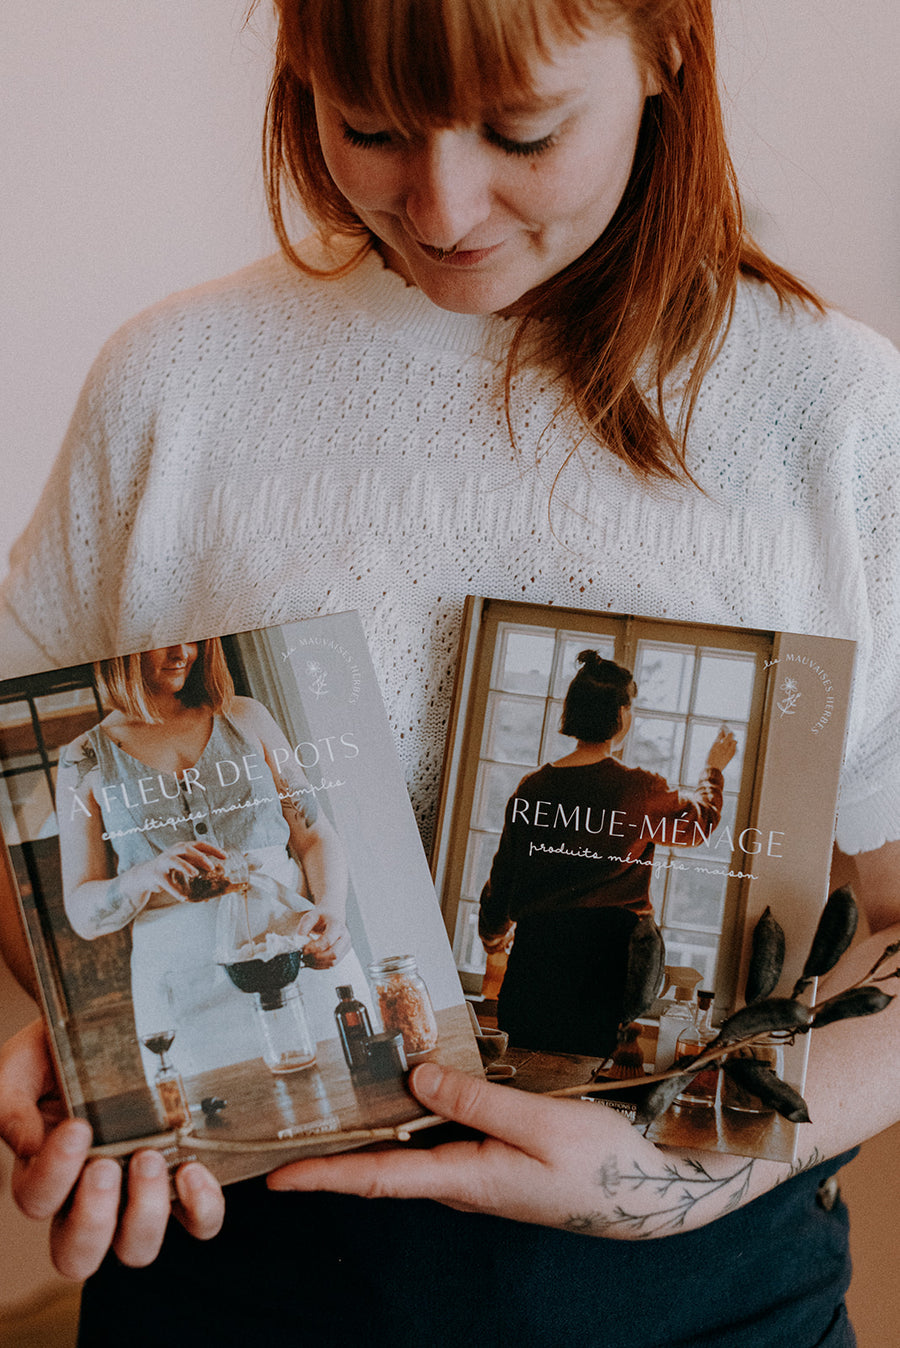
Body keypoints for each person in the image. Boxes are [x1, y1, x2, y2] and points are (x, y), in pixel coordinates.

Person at [0, 1, 898, 1343]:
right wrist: (96, 1035)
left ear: (667, 49)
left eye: (523, 133)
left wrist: (690, 1166)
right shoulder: (172, 387)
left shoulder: (833, 420)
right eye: (366, 127)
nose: (441, 202)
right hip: (238, 1272)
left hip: (701, 1295)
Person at [56, 638, 355, 1076]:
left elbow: (314, 835)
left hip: (293, 957)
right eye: (161, 641)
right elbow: (83, 912)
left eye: (194, 637)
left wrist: (331, 909)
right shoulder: (81, 759)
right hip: (183, 985)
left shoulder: (245, 716)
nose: (183, 652)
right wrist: (146, 876)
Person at [479, 650, 737, 1057]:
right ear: (622, 715)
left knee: (521, 1074)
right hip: (603, 968)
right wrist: (713, 769)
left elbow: (502, 880)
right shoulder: (639, 790)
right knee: (578, 1081)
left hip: (534, 962)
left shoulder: (531, 790)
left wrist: (493, 939)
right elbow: (699, 824)